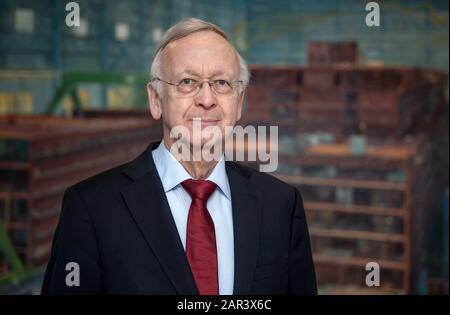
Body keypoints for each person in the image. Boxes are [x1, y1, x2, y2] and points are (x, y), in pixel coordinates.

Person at [41, 18, 316, 295]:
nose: (207, 99)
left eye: (221, 82)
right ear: (156, 100)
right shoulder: (91, 208)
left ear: (239, 101)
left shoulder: (280, 206)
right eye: (187, 82)